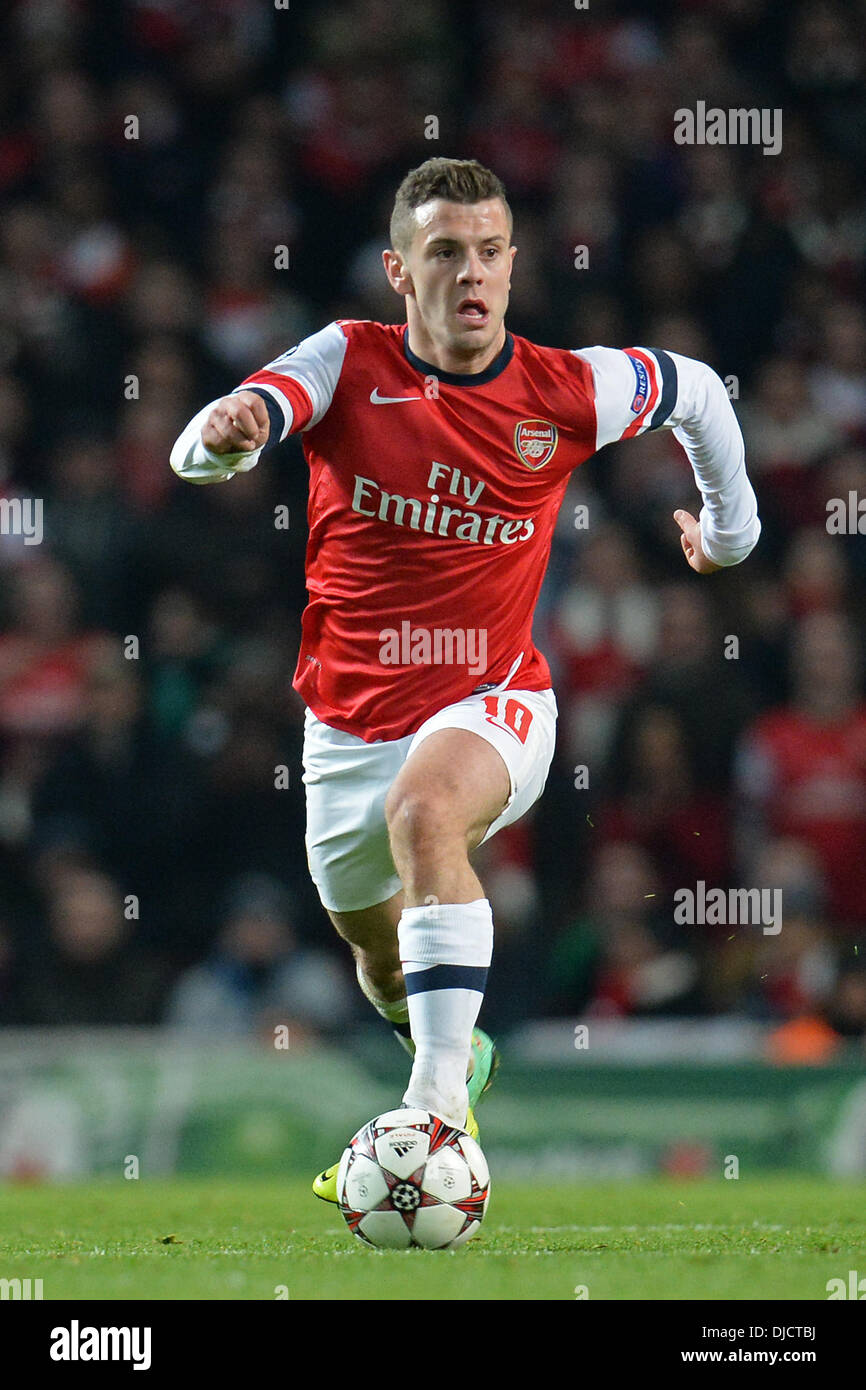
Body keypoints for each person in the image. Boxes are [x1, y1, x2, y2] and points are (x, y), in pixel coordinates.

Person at [170, 157, 760, 1202]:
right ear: (400, 270)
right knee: (373, 946)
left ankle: (434, 1116)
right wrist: (223, 440)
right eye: (445, 252)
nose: (471, 272)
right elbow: (224, 429)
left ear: (512, 262)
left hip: (493, 699)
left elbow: (700, 391)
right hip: (344, 724)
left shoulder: (564, 387)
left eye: (489, 251)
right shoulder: (347, 362)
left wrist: (728, 531)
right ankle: (454, 1049)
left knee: (426, 811)